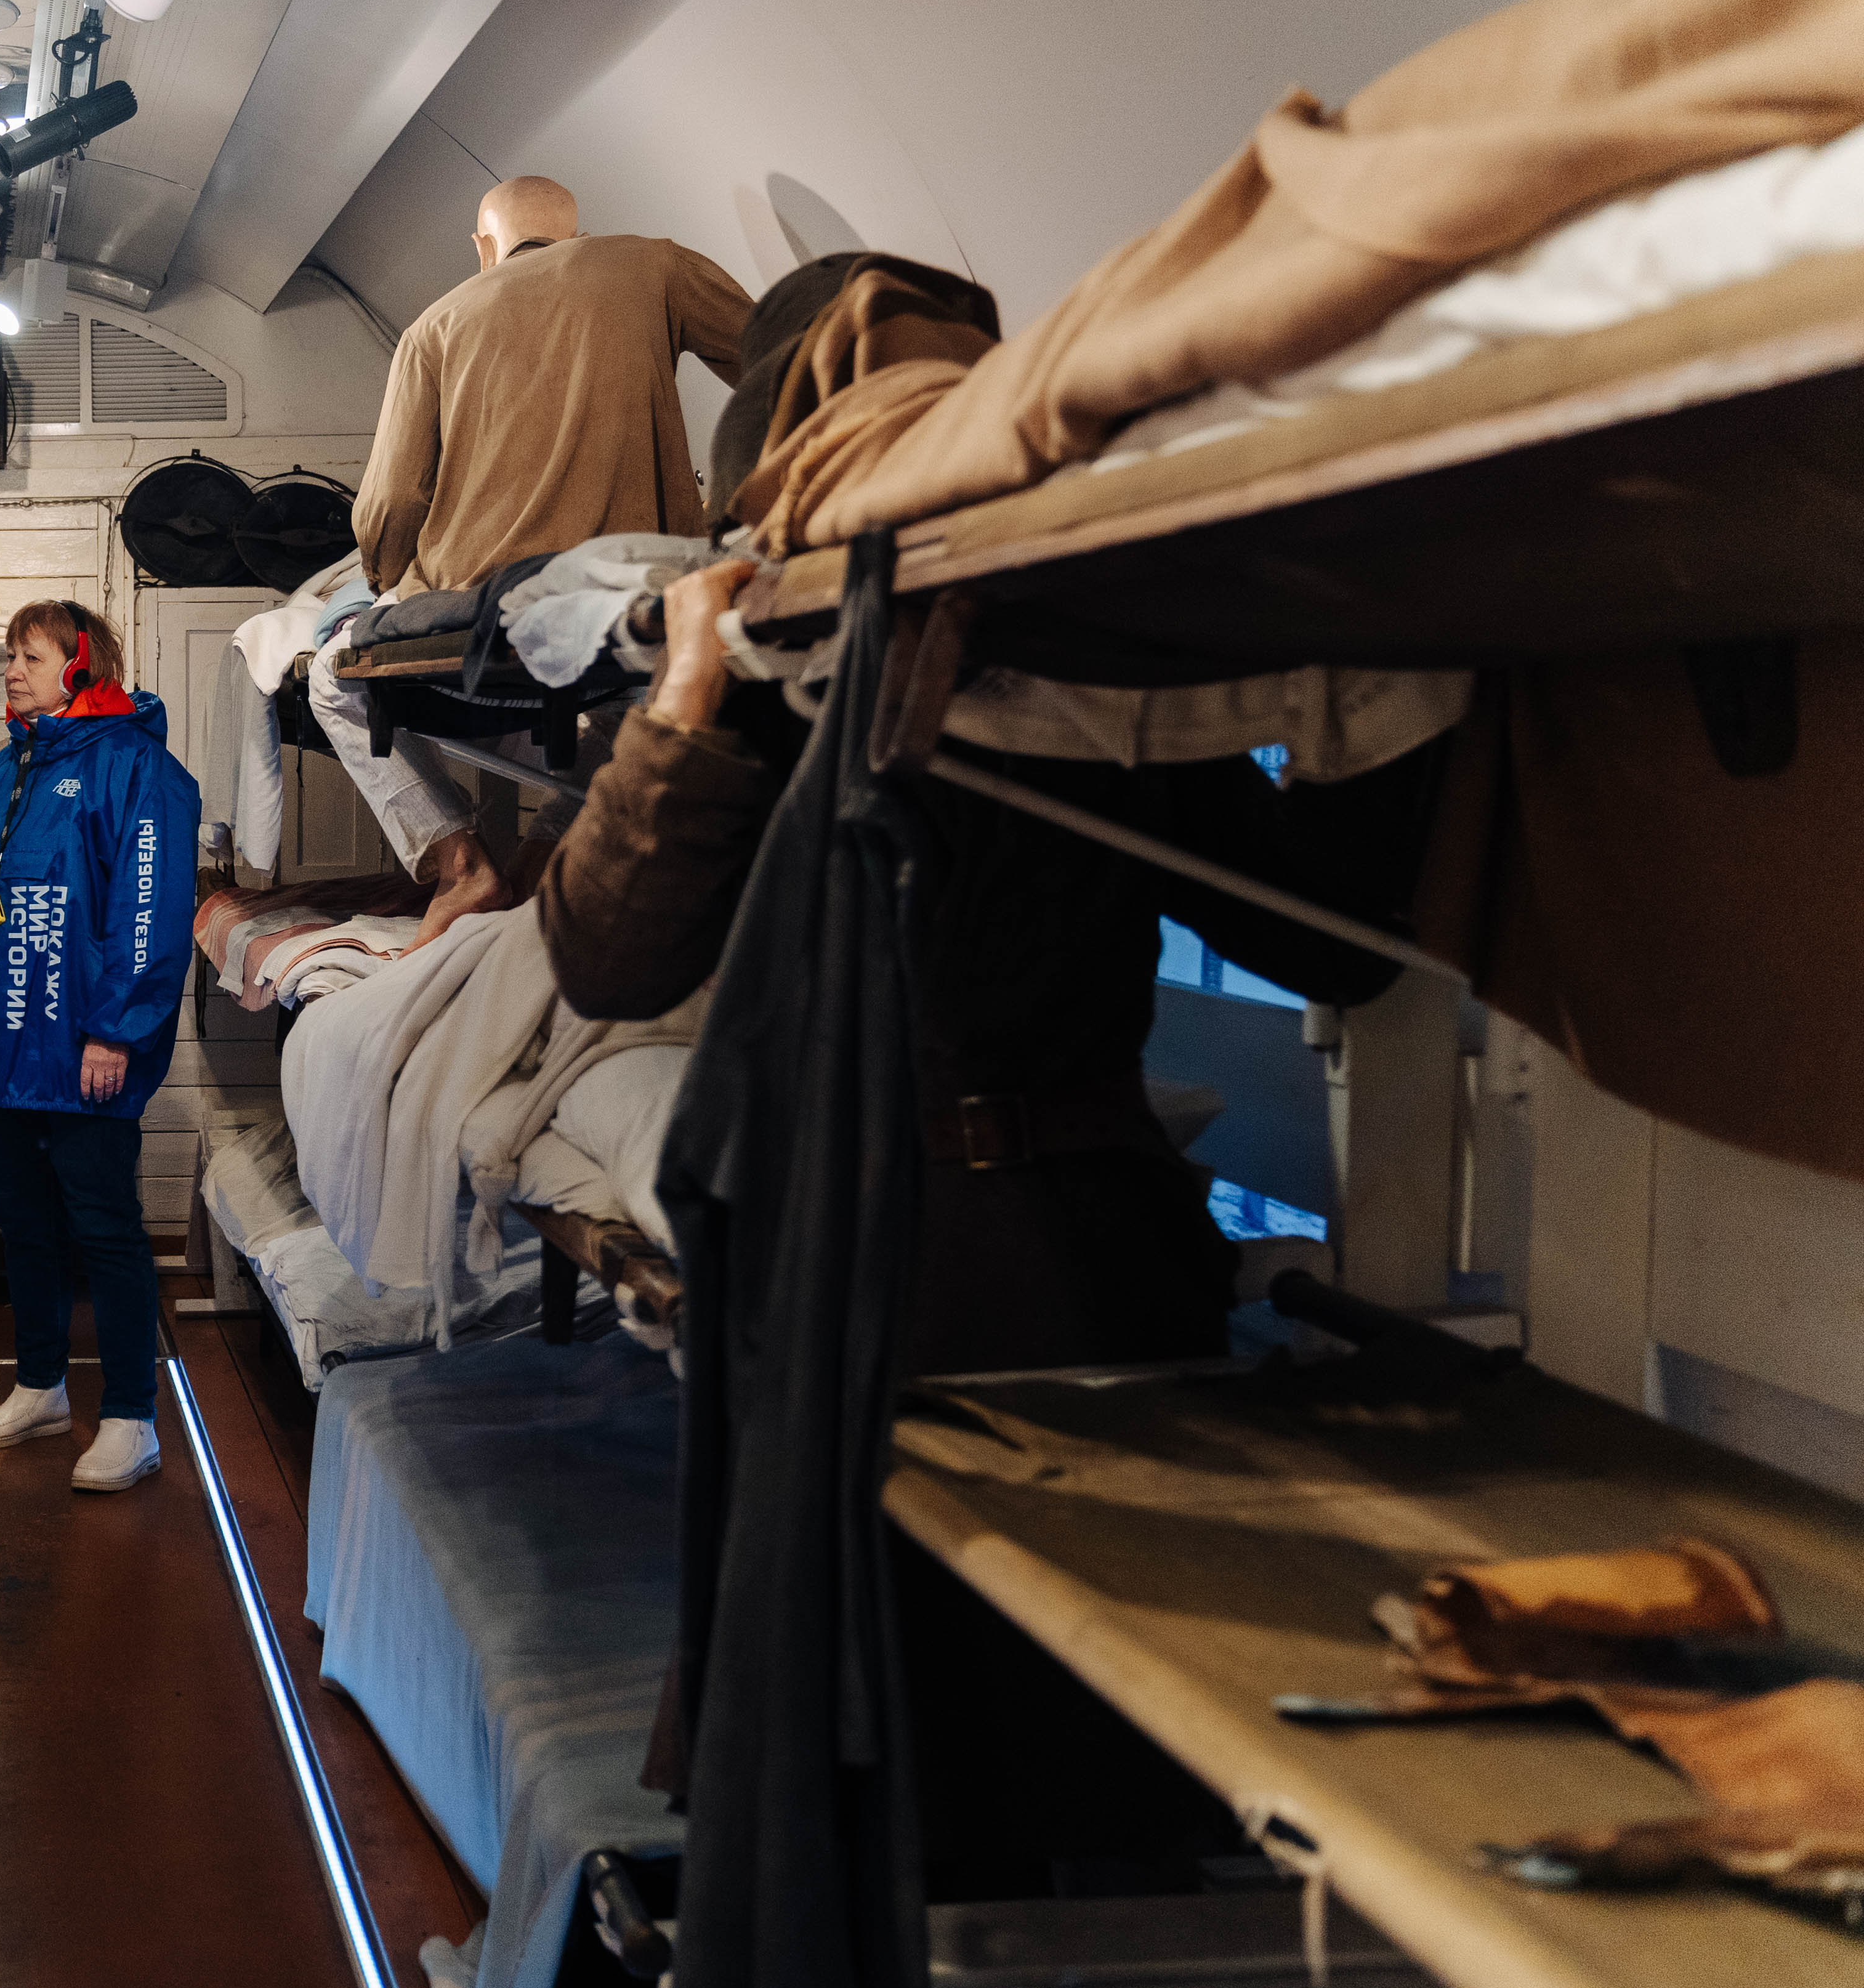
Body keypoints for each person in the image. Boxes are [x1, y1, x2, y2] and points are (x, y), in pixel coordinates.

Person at [538, 552, 1435, 1372]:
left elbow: (1335, 952)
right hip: (872, 1247)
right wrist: (688, 690)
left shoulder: (1105, 691)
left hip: (1080, 1248)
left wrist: (1388, 661)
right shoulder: (784, 690)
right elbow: (608, 965)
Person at [320, 177, 755, 939]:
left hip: (482, 603)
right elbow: (784, 361)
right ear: (577, 234)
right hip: (634, 584)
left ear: (483, 247)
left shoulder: (434, 326)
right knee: (637, 704)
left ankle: (461, 862)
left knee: (331, 680)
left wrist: (385, 582)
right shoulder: (654, 265)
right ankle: (546, 850)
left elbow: (390, 503)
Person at [0, 600, 200, 1493]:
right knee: (25, 1226)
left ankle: (132, 1417)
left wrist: (115, 1031)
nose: (11, 671)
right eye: (9, 654)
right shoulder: (6, 767)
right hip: (10, 1053)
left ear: (81, 666)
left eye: (30, 656)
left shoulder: (136, 767)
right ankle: (41, 1386)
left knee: (107, 1229)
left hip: (86, 1051)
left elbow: (147, 911)